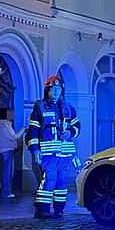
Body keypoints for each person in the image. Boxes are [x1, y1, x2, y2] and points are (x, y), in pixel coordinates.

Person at [26, 75, 81, 219]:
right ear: (47, 90)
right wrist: (35, 149)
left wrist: (70, 133)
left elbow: (77, 127)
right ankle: (42, 210)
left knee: (62, 182)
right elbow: (33, 130)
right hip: (48, 153)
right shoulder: (40, 107)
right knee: (49, 180)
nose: (56, 91)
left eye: (58, 89)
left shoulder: (69, 108)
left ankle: (59, 210)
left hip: (64, 153)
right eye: (53, 89)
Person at [0, 108, 25, 198]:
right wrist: (22, 130)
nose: (12, 115)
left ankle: (4, 191)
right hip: (7, 149)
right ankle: (5, 192)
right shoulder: (5, 125)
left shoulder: (0, 124)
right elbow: (13, 137)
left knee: (6, 170)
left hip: (4, 149)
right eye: (10, 113)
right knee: (7, 171)